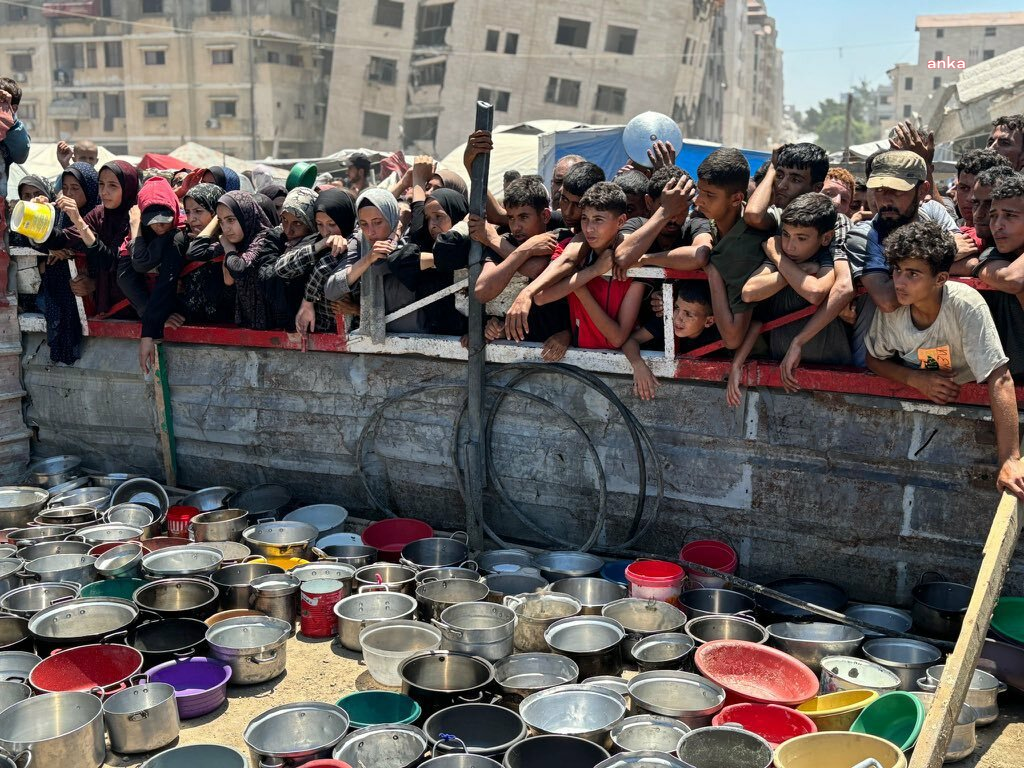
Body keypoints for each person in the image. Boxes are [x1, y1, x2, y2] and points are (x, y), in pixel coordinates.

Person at [864, 220, 1024, 499]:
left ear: (940, 278)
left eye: (913, 274)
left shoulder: (965, 304)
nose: (899, 282)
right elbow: (874, 359)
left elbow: (1000, 377)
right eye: (897, 270)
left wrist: (1010, 459)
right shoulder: (894, 309)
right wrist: (915, 379)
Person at [733, 193, 850, 399]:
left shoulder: (827, 256)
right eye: (786, 234)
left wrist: (778, 258)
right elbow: (750, 292)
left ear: (826, 238)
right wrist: (797, 268)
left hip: (834, 371)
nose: (790, 246)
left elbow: (815, 292)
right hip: (783, 370)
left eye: (801, 238)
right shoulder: (785, 256)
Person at [532, 182, 647, 355]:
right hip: (576, 358)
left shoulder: (632, 261)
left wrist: (579, 288)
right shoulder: (570, 250)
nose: (589, 228)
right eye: (585, 218)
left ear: (621, 221)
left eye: (598, 220)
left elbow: (617, 338)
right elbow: (541, 297)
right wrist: (592, 272)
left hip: (622, 363)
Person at [470, 176, 572, 357]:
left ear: (545, 215)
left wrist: (495, 241)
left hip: (565, 350)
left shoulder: (560, 237)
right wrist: (525, 250)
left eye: (524, 217)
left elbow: (537, 269)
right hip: (519, 352)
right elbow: (482, 290)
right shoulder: (505, 242)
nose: (516, 227)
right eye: (511, 218)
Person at [502, 162, 605, 342]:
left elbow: (567, 260)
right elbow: (504, 213)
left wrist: (526, 293)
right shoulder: (562, 222)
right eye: (564, 200)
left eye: (577, 204)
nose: (568, 211)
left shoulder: (591, 232)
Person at [324, 188, 427, 333]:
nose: (370, 232)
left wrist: (394, 237)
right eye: (364, 224)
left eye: (377, 222)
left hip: (417, 338)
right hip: (375, 341)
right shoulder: (361, 241)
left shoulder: (411, 237)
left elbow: (382, 265)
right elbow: (331, 290)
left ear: (392, 217)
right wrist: (367, 259)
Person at [695, 147, 769, 349]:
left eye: (709, 194)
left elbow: (732, 338)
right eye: (699, 190)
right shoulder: (710, 223)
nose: (698, 200)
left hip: (758, 359)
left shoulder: (743, 246)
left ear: (737, 199)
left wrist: (712, 271)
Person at [48, 159, 141, 313]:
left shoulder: (136, 216)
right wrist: (35, 216)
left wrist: (79, 222)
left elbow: (110, 261)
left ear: (127, 188)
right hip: (106, 305)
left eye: (112, 185)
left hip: (134, 305)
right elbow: (63, 238)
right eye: (101, 184)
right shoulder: (99, 213)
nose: (104, 192)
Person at [116, 176, 187, 374]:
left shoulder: (176, 234)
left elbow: (142, 264)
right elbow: (128, 273)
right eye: (152, 222)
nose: (159, 227)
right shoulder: (137, 231)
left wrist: (148, 332)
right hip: (154, 313)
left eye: (164, 221)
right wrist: (137, 227)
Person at [624, 281, 719, 400]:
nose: (678, 318)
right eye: (677, 308)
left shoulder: (718, 337)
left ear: (709, 321)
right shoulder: (667, 320)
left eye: (688, 314)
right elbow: (630, 340)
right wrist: (638, 365)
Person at [614, 166, 712, 274]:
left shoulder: (696, 224)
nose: (674, 216)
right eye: (667, 206)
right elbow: (623, 257)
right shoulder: (636, 224)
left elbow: (700, 255)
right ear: (649, 202)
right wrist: (665, 212)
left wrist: (645, 259)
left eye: (681, 208)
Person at [974, 173, 1024, 381]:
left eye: (1010, 215)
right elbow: (1012, 280)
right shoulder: (993, 255)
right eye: (993, 215)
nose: (997, 225)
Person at [291, 188, 357, 334]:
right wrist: (319, 245)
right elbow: (281, 269)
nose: (326, 232)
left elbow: (324, 268)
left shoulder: (356, 243)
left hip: (351, 335)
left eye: (332, 224)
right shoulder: (315, 240)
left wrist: (307, 301)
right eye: (319, 224)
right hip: (318, 331)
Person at [217, 190, 279, 329]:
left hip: (274, 327)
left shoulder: (265, 237)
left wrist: (228, 248)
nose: (226, 228)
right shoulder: (239, 241)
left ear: (245, 215)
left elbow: (239, 268)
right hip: (248, 324)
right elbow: (196, 251)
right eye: (221, 222)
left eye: (231, 220)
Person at [744, 142, 830, 232]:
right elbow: (753, 215)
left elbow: (754, 215)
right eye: (779, 176)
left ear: (817, 188)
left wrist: (773, 167)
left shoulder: (828, 221)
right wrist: (772, 168)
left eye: (795, 180)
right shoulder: (778, 213)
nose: (781, 186)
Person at [179, 182, 230, 326]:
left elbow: (195, 252)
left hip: (223, 327)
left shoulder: (226, 243)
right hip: (189, 326)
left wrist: (215, 223)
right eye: (188, 212)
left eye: (198, 211)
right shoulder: (183, 239)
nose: (191, 219)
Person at [952, 149, 1011, 246]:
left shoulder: (1008, 241)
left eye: (988, 201)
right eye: (964, 188)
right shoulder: (949, 225)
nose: (971, 197)